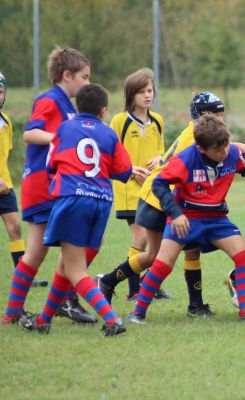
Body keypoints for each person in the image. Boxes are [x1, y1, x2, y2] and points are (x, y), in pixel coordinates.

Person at [97, 92, 245, 318]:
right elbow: (165, 181)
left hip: (199, 206)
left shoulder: (218, 143)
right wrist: (177, 213)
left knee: (196, 252)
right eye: (216, 115)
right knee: (157, 258)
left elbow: (233, 153)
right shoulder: (195, 142)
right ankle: (113, 285)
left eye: (221, 115)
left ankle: (201, 306)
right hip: (160, 199)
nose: (220, 120)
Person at [18, 83, 133, 335]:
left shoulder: (65, 128)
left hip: (73, 200)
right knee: (64, 266)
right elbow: (123, 170)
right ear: (103, 111)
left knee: (74, 269)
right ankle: (43, 321)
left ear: (76, 107)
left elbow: (52, 165)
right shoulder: (108, 133)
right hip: (101, 202)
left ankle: (112, 320)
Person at [3, 47, 97, 325]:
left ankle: (46, 304)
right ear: (66, 75)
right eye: (84, 76)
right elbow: (31, 133)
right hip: (45, 185)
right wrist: (61, 137)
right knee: (64, 246)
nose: (88, 83)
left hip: (58, 186)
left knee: (57, 248)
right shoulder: (49, 99)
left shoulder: (68, 105)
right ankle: (56, 301)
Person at [110, 67, 171, 301]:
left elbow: (163, 152)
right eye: (142, 91)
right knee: (141, 239)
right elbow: (111, 151)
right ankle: (134, 289)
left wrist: (160, 158)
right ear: (130, 95)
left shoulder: (157, 121)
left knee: (158, 241)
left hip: (152, 190)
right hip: (128, 189)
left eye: (150, 90)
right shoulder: (120, 121)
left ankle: (149, 284)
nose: (147, 95)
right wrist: (130, 170)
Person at [0, 72, 28, 274]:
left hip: (5, 185)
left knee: (15, 228)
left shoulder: (6, 122)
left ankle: (22, 275)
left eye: (0, 91)